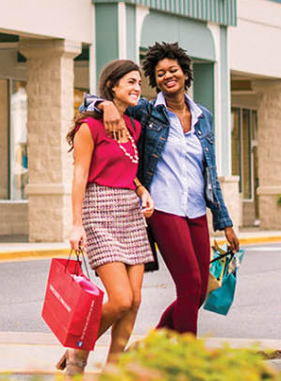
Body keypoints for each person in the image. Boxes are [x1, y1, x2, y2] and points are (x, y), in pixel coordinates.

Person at [84, 42, 240, 337]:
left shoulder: (202, 116)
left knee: (201, 291)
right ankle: (185, 362)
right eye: (160, 73)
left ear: (184, 73)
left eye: (173, 70)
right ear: (154, 81)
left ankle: (152, 346)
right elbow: (89, 102)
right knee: (189, 284)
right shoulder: (146, 111)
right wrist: (105, 106)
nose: (168, 76)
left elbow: (210, 172)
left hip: (195, 209)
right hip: (163, 207)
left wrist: (226, 222)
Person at [57, 59, 155, 375]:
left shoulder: (135, 126)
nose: (137, 88)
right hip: (99, 210)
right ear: (112, 86)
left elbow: (127, 169)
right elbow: (80, 175)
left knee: (136, 299)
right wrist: (76, 223)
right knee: (121, 299)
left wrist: (142, 191)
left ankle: (113, 370)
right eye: (129, 82)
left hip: (130, 210)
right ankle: (77, 348)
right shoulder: (90, 127)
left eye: (139, 82)